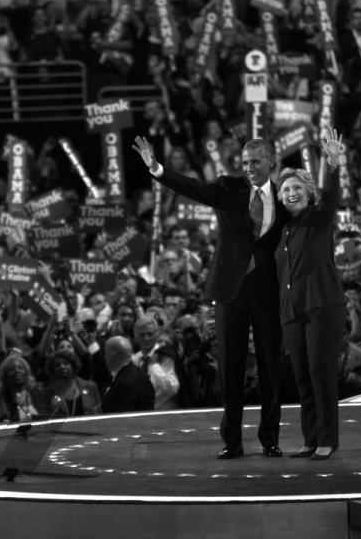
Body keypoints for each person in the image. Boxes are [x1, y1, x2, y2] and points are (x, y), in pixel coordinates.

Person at [133, 135, 286, 459]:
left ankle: (270, 439)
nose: (249, 168)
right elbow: (194, 188)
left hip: (267, 291)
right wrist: (157, 169)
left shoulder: (285, 194)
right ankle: (232, 441)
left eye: (256, 162)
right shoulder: (229, 188)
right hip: (230, 291)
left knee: (271, 366)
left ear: (271, 160)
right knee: (230, 368)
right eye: (245, 163)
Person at [275, 129, 347, 461]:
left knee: (321, 373)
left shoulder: (319, 218)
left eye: (295, 188)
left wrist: (333, 162)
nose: (290, 193)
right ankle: (310, 438)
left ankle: (327, 440)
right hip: (292, 311)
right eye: (285, 189)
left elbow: (332, 196)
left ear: (308, 192)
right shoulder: (281, 232)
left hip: (321, 305)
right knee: (302, 377)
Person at [101, 337, 154, 414]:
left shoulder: (124, 384)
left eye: (105, 353)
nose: (104, 357)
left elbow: (123, 419)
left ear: (112, 354)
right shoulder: (140, 373)